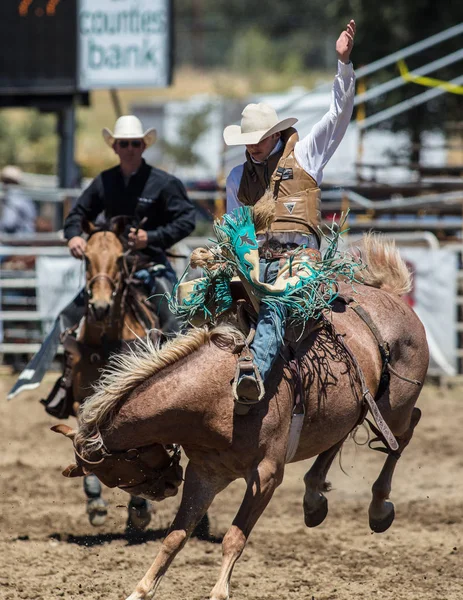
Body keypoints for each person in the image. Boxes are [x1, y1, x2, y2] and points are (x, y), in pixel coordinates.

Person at [222, 20, 356, 406]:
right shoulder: (237, 177)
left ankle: (253, 373)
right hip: (255, 262)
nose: (253, 148)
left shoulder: (308, 154)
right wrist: (234, 264)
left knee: (278, 301)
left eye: (259, 139)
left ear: (276, 134)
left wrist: (343, 66)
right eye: (248, 142)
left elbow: (338, 115)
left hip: (301, 261)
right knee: (209, 299)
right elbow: (236, 228)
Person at [65, 114, 196, 330]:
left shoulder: (164, 183)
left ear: (143, 146)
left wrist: (151, 238)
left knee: (175, 323)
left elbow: (186, 219)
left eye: (135, 143)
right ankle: (57, 360)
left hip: (151, 263)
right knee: (66, 320)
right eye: (123, 144)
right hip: (109, 269)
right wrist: (73, 237)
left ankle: (180, 359)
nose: (129, 149)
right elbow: (78, 213)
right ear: (115, 147)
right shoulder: (104, 181)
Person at [0, 165, 37, 234]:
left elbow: (9, 223)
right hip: (26, 238)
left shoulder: (12, 198)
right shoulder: (25, 197)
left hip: (14, 241)